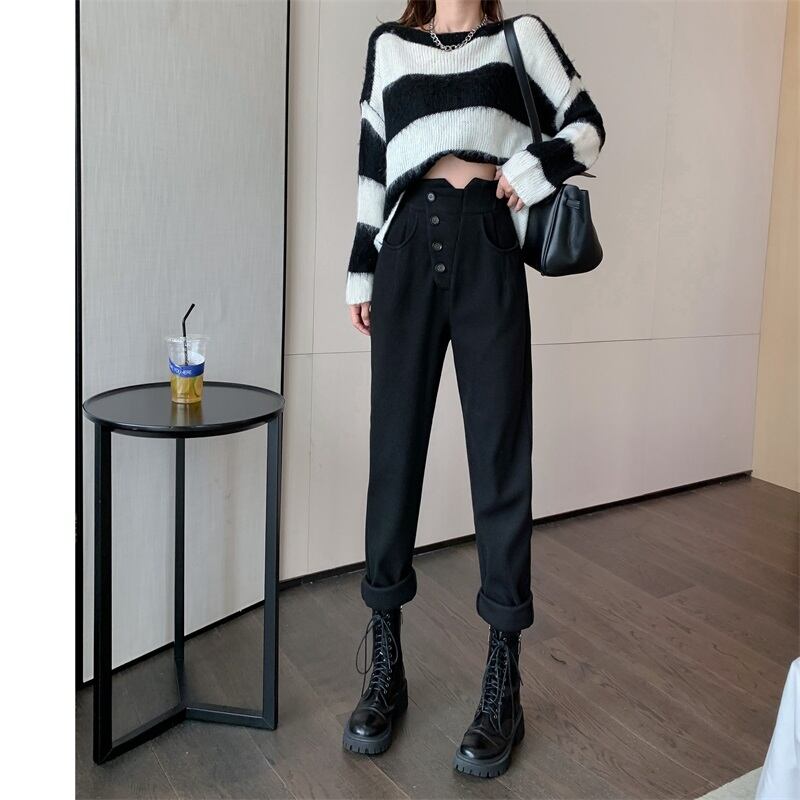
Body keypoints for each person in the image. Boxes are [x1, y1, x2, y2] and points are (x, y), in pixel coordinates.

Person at [342, 0, 605, 778]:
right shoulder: (389, 47)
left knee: (500, 457)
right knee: (393, 458)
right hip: (404, 249)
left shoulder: (520, 37)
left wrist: (529, 168)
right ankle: (386, 668)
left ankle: (503, 685)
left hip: (488, 244)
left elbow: (586, 125)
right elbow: (372, 163)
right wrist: (360, 270)